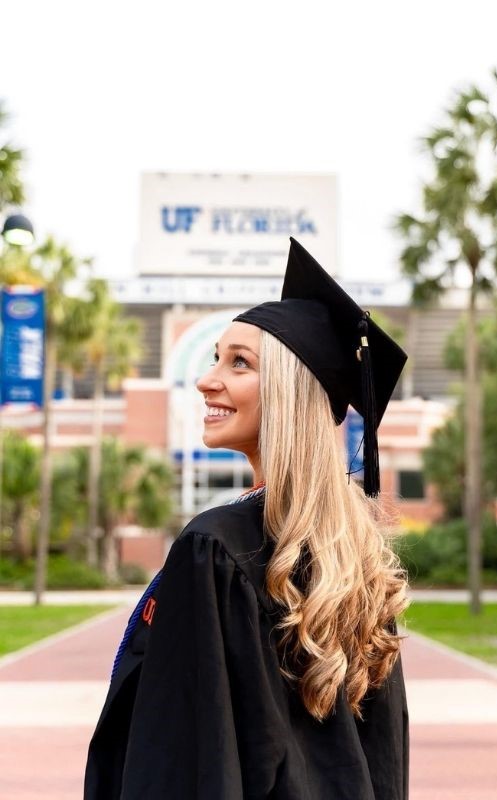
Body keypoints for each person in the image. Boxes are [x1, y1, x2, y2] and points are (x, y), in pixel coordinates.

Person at [84, 238, 410, 800]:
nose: (208, 380)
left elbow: (187, 752)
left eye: (239, 363)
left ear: (288, 394)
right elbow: (385, 758)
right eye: (215, 357)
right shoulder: (358, 554)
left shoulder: (214, 546)